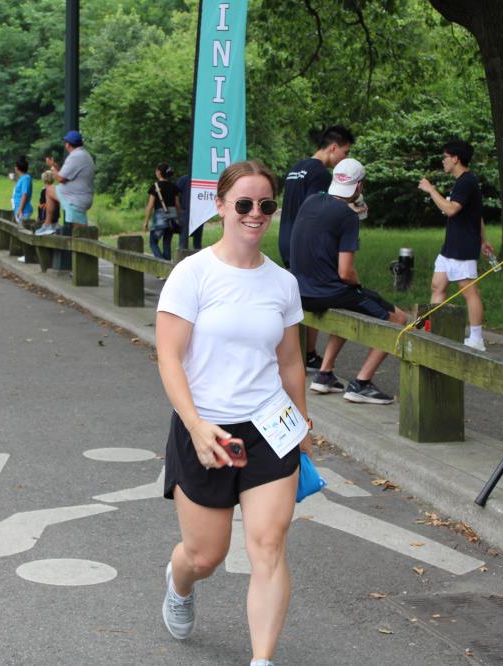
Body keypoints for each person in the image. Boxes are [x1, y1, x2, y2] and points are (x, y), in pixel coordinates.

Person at [156, 160, 312, 666]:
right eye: (243, 203)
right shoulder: (193, 274)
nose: (255, 213)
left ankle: (262, 660)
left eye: (265, 204)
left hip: (269, 427)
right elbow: (169, 357)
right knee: (206, 555)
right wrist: (196, 426)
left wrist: (301, 422)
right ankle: (180, 583)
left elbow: (290, 361)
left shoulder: (282, 283)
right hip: (206, 427)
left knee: (268, 545)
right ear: (220, 206)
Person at [291, 158, 407, 404]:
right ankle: (361, 383)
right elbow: (346, 273)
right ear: (359, 186)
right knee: (398, 319)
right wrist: (358, 286)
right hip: (327, 292)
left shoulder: (310, 201)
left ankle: (324, 374)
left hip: (300, 291)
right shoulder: (348, 217)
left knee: (349, 303)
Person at [280, 125, 356, 373]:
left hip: (286, 239)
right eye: (345, 152)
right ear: (333, 147)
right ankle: (309, 354)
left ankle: (299, 352)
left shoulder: (297, 168)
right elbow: (317, 211)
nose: (344, 158)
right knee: (314, 294)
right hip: (304, 243)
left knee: (299, 295)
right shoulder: (321, 174)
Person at [418, 139, 491, 351]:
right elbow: (476, 215)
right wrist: (484, 240)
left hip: (463, 247)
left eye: (445, 157)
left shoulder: (467, 181)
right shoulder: (461, 182)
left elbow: (450, 210)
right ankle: (435, 332)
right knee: (437, 285)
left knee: (469, 291)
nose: (443, 161)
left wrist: (431, 190)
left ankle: (476, 339)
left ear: (456, 158)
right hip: (450, 246)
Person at [40, 130, 94, 234]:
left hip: (76, 199)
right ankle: (48, 224)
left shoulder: (75, 157)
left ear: (68, 144)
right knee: (80, 233)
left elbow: (60, 178)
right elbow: (65, 175)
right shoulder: (83, 154)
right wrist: (55, 167)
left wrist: (52, 167)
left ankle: (49, 225)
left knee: (81, 234)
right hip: (81, 196)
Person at [143, 163, 182, 260]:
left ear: (159, 172)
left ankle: (161, 263)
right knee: (167, 243)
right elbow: (177, 205)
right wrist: (179, 218)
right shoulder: (174, 186)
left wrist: (146, 222)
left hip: (160, 218)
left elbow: (150, 206)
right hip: (172, 219)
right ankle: (166, 267)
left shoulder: (155, 186)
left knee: (153, 243)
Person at [175, 173, 202, 251]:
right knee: (197, 238)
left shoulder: (182, 179)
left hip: (185, 210)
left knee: (183, 236)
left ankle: (182, 253)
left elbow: (176, 196)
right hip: (198, 211)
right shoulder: (199, 178)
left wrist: (179, 211)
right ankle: (197, 253)